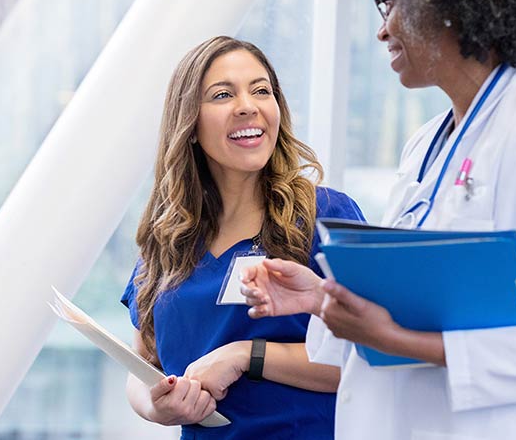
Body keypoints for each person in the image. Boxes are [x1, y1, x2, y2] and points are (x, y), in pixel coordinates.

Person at [240, 0, 516, 439]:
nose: (382, 28)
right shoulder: (426, 144)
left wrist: (395, 338)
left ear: (451, 0)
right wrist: (324, 299)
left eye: (390, 1)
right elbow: (423, 294)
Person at [120, 36, 365, 439]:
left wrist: (245, 356)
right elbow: (143, 362)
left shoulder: (326, 215)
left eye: (261, 90)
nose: (248, 106)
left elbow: (366, 357)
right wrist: (154, 404)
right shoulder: (170, 238)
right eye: (222, 94)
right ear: (190, 124)